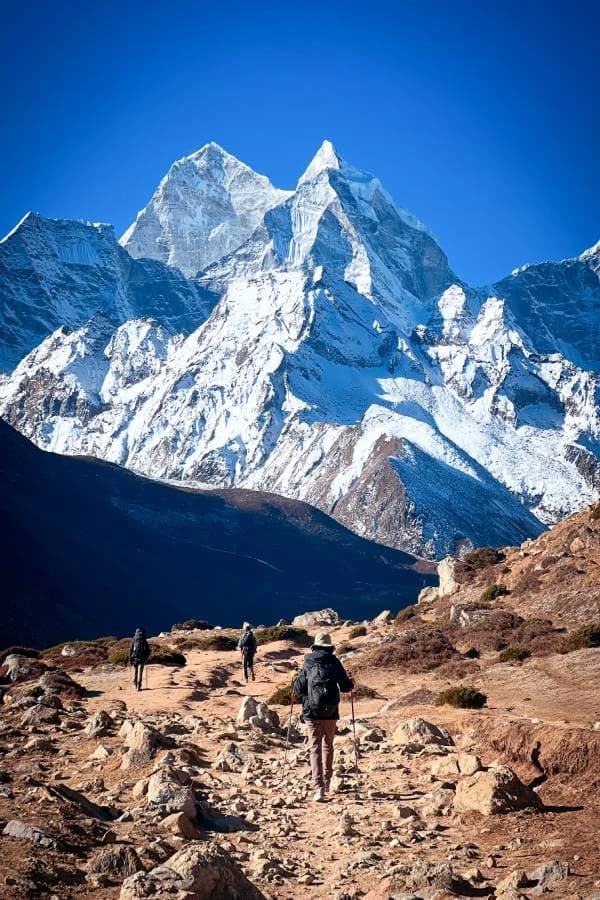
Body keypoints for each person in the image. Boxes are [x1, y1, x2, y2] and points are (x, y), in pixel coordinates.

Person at [293, 631, 353, 802]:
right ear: (329, 647)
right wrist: (351, 684)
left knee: (314, 748)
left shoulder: (308, 662)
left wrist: (293, 678)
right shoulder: (334, 662)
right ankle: (327, 783)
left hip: (311, 712)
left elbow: (299, 688)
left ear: (315, 646)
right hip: (331, 712)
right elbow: (345, 686)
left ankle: (318, 788)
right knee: (328, 745)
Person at [129, 627, 150, 691]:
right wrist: (147, 657)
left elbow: (131, 650)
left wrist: (130, 659)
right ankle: (139, 685)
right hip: (142, 658)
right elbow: (148, 650)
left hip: (135, 658)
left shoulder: (134, 640)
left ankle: (135, 682)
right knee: (141, 672)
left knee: (136, 671)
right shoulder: (144, 640)